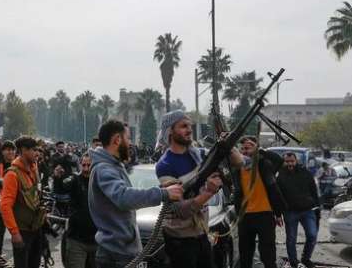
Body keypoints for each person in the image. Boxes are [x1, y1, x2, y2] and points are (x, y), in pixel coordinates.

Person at [89, 120, 183, 268]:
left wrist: (161, 188)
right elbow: (124, 197)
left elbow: (127, 197)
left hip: (121, 253)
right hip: (117, 255)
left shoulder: (112, 166)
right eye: (128, 138)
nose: (130, 143)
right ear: (117, 140)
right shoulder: (104, 169)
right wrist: (163, 194)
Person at [155, 110, 239, 268]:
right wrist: (208, 193)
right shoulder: (165, 165)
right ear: (170, 131)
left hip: (201, 234)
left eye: (190, 125)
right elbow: (181, 210)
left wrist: (228, 145)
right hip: (180, 241)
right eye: (183, 126)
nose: (189, 129)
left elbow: (239, 162)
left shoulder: (200, 155)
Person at [232, 136, 285, 268]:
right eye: (243, 149)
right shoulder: (237, 169)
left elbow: (279, 160)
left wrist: (259, 150)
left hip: (264, 214)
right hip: (245, 216)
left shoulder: (263, 165)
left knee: (268, 255)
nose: (245, 151)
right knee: (245, 255)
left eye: (248, 148)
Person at [0, 136, 46, 268]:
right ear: (23, 150)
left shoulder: (33, 169)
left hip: (36, 228)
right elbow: (5, 206)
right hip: (23, 232)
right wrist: (14, 233)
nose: (37, 153)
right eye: (34, 150)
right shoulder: (12, 174)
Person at [277, 152, 320, 268]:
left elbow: (313, 190)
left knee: (312, 235)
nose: (290, 164)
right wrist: (278, 214)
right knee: (291, 239)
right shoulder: (280, 176)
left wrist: (317, 206)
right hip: (290, 212)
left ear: (296, 161)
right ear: (284, 162)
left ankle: (306, 259)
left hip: (307, 210)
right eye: (287, 161)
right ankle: (293, 262)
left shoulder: (305, 173)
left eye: (292, 161)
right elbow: (277, 196)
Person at [56, 153, 97, 268]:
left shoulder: (100, 182)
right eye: (84, 165)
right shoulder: (75, 179)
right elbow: (63, 186)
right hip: (76, 240)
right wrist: (58, 178)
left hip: (97, 240)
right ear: (80, 165)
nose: (86, 169)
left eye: (89, 165)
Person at [0, 139, 17, 254]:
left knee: (17, 232)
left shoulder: (18, 166)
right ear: (2, 152)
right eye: (7, 150)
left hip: (17, 204)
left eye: (12, 150)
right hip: (3, 203)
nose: (10, 152)